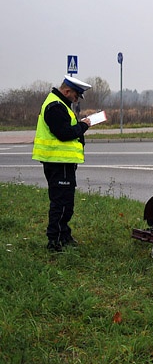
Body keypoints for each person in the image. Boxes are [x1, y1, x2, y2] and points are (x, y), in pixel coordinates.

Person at [32, 77, 94, 251]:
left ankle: (63, 235)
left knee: (66, 203)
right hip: (58, 163)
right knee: (61, 203)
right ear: (67, 91)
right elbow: (65, 133)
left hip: (62, 163)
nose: (76, 100)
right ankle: (55, 240)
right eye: (76, 96)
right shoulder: (55, 106)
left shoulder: (59, 104)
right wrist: (83, 126)